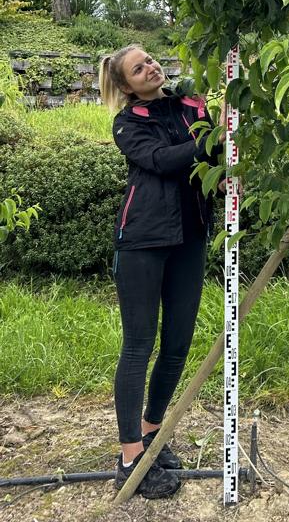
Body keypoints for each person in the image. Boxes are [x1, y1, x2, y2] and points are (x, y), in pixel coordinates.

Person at [99, 45, 224, 499]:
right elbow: (164, 162)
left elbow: (213, 158)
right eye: (138, 68)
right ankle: (129, 455)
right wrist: (214, 142)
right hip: (143, 243)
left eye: (150, 60)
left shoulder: (189, 102)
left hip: (190, 240)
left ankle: (152, 431)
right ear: (126, 85)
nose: (150, 67)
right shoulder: (128, 124)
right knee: (138, 345)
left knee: (176, 344)